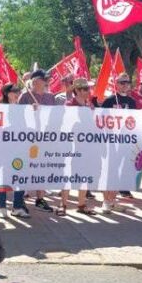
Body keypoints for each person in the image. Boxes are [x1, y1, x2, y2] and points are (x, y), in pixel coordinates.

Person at [57, 78, 98, 216]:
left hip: (85, 146)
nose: (89, 91)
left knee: (84, 176)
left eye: (89, 89)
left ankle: (81, 204)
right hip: (70, 146)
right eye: (86, 89)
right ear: (78, 91)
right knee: (68, 175)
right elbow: (65, 124)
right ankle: (63, 205)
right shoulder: (69, 105)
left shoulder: (90, 105)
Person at [18, 69, 57, 212]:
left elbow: (55, 117)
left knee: (43, 168)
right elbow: (18, 116)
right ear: (35, 81)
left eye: (47, 79)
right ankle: (19, 199)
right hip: (29, 138)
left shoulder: (50, 97)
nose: (47, 81)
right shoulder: (25, 96)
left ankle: (40, 199)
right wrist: (30, 110)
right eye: (44, 79)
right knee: (25, 168)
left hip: (45, 138)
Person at [101, 72, 137, 212]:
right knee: (109, 171)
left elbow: (135, 122)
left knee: (119, 171)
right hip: (110, 141)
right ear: (116, 84)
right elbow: (100, 120)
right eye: (122, 82)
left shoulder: (132, 102)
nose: (125, 85)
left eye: (127, 82)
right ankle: (105, 201)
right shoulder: (109, 101)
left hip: (124, 141)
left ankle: (112, 200)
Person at [0, 83, 31, 218]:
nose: (17, 93)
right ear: (6, 93)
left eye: (18, 90)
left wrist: (35, 110)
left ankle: (17, 206)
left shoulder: (23, 109)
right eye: (14, 91)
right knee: (3, 176)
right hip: (4, 148)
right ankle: (2, 206)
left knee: (20, 176)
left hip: (19, 147)